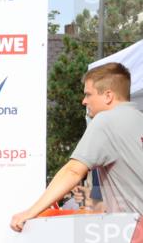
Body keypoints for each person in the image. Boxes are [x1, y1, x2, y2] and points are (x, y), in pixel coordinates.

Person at [11, 62, 143, 230]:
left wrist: (31, 212)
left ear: (108, 96)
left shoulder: (106, 120)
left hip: (136, 235)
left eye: (88, 94)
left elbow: (73, 171)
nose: (84, 101)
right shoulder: (139, 120)